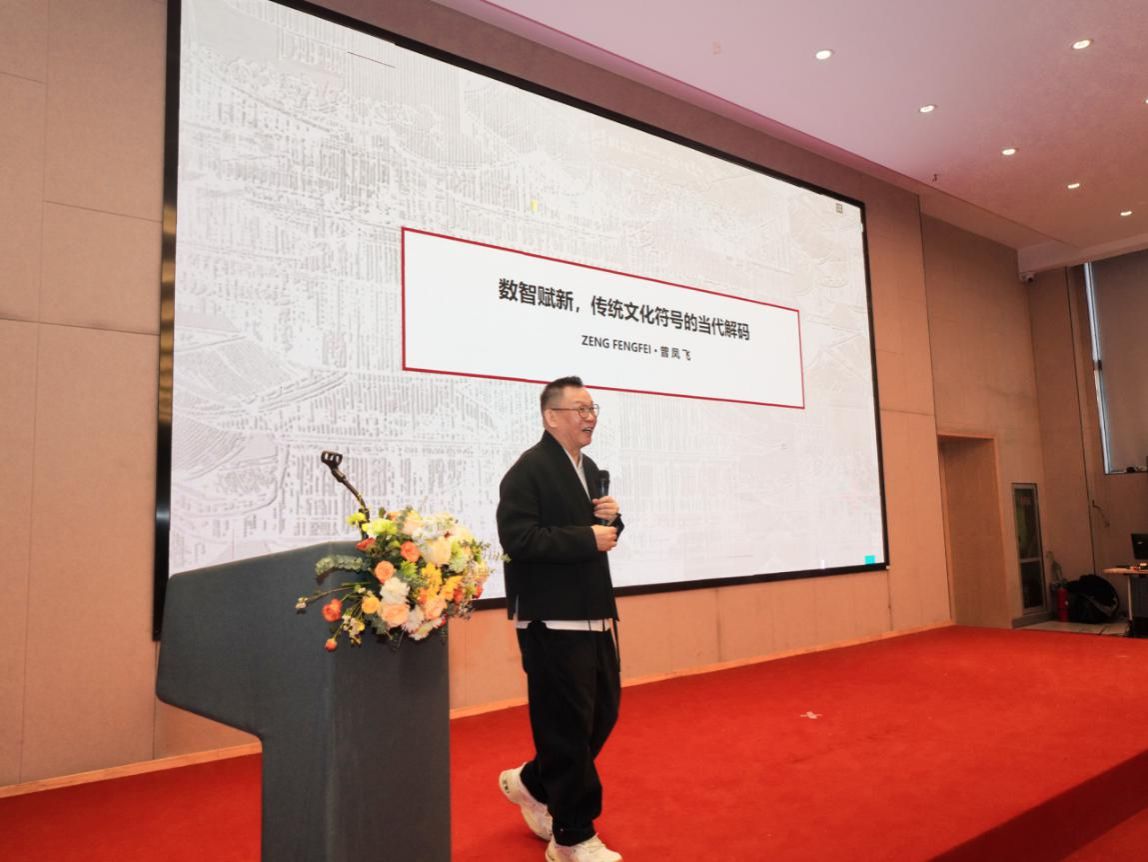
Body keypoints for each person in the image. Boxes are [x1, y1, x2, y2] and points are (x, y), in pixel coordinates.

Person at [496, 376, 624, 862]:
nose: (590, 417)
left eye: (593, 408)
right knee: (567, 731)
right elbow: (519, 540)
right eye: (580, 409)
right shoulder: (528, 470)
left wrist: (611, 520)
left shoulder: (587, 468)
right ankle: (571, 838)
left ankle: (532, 782)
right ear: (551, 416)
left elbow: (595, 535)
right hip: (550, 621)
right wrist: (586, 537)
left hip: (594, 615)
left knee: (601, 716)